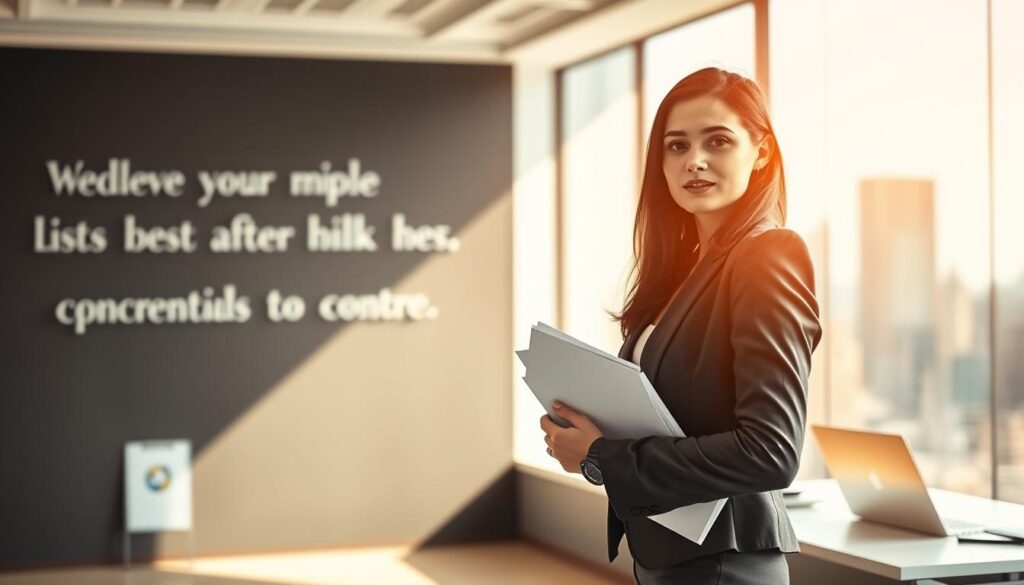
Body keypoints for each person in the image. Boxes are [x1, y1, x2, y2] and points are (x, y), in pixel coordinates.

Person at [539, 66, 823, 584]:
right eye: (676, 146)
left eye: (718, 141)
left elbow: (771, 451)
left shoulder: (767, 254)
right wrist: (586, 442)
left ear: (761, 153)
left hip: (722, 564)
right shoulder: (684, 272)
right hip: (669, 553)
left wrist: (603, 454)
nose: (694, 161)